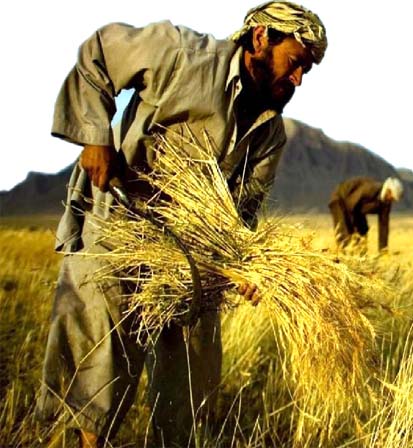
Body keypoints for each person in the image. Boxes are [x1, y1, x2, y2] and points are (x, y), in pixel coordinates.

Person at [37, 2, 327, 446]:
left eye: (306, 71)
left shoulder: (271, 134)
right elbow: (99, 52)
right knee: (100, 361)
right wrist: (96, 138)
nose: (298, 80)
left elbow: (241, 216)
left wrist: (244, 267)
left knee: (192, 377)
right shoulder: (182, 55)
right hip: (119, 224)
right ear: (261, 38)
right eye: (295, 64)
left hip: (191, 256)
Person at [329, 177, 403, 253]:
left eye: (393, 199)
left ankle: (360, 258)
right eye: (391, 196)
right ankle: (342, 257)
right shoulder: (370, 189)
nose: (391, 200)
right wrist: (352, 229)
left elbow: (383, 225)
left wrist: (383, 251)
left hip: (356, 209)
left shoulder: (386, 203)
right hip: (341, 200)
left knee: (363, 231)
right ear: (387, 190)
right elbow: (350, 205)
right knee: (345, 233)